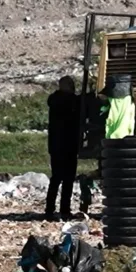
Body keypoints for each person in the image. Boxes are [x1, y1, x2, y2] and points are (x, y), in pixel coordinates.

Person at [45, 76, 80, 220]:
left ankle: (49, 210)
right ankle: (64, 210)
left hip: (55, 145)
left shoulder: (54, 101)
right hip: (69, 144)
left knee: (56, 178)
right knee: (68, 179)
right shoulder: (72, 102)